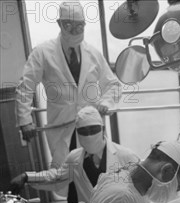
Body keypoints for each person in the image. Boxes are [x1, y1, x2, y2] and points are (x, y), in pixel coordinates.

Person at [15, 1, 122, 170]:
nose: (74, 29)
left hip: (91, 125)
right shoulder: (43, 52)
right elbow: (25, 86)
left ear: (85, 25)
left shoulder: (93, 53)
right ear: (59, 23)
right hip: (62, 125)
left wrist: (106, 103)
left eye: (79, 25)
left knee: (96, 170)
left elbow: (113, 84)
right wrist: (25, 120)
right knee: (68, 174)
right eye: (68, 24)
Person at [10, 106, 139, 203]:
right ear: (77, 133)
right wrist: (27, 177)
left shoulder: (125, 156)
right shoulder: (75, 158)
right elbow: (56, 178)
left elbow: (143, 189)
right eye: (83, 131)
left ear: (103, 129)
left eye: (93, 130)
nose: (88, 135)